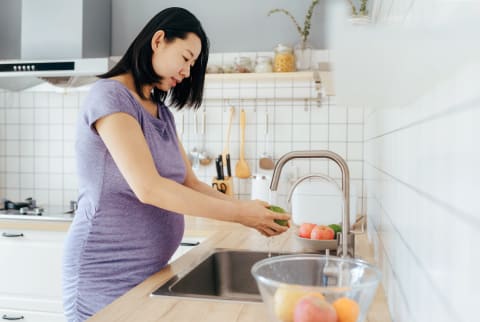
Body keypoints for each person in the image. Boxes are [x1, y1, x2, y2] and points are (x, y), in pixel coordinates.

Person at [62, 7, 289, 322]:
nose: (187, 71)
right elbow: (149, 188)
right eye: (185, 58)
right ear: (159, 41)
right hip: (103, 276)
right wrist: (241, 214)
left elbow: (190, 183)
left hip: (150, 274)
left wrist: (248, 209)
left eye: (193, 64)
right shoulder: (110, 97)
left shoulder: (161, 112)